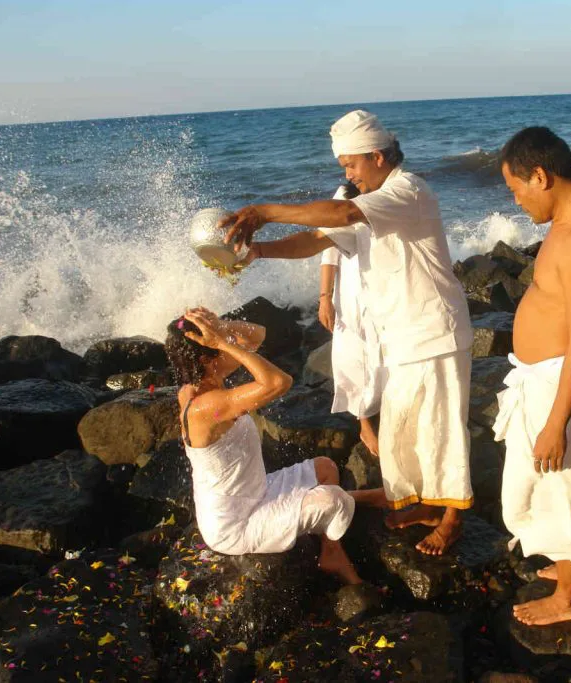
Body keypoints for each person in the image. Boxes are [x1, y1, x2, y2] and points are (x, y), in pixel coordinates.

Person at [220, 110, 474, 555]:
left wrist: (265, 210)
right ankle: (428, 504)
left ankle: (453, 519)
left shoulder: (406, 190)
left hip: (435, 331)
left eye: (351, 165)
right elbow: (317, 240)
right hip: (401, 336)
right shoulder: (371, 201)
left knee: (442, 428)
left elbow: (342, 210)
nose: (349, 175)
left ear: (378, 156)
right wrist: (257, 251)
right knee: (403, 430)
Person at [493, 127, 571, 626]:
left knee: (563, 486)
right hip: (548, 375)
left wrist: (555, 422)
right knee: (563, 480)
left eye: (516, 188)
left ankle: (568, 598)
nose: (517, 200)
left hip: (560, 381)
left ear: (541, 176)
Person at [165, 307, 362, 585]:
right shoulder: (207, 406)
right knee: (333, 499)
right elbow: (279, 382)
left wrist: (220, 326)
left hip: (258, 490)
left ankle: (331, 552)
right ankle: (364, 504)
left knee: (326, 469)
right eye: (217, 348)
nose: (226, 348)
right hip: (236, 524)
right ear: (206, 357)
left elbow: (256, 337)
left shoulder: (204, 381)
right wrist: (221, 342)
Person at [317, 181, 385, 456]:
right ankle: (365, 423)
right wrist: (324, 297)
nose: (350, 172)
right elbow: (327, 250)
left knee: (384, 351)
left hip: (383, 286)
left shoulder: (392, 191)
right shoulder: (345, 196)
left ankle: (386, 413)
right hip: (351, 289)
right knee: (352, 354)